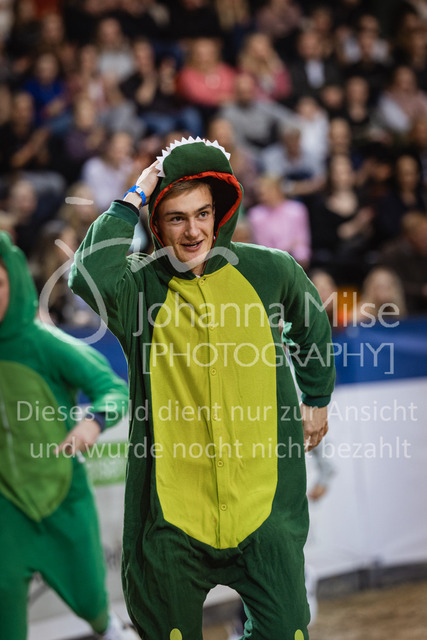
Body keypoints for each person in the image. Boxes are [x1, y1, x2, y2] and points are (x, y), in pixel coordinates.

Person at [70, 137, 335, 640]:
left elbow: (311, 325)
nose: (193, 231)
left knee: (287, 632)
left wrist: (317, 397)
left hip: (263, 507)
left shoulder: (270, 269)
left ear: (221, 212)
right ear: (156, 222)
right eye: (177, 218)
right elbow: (88, 273)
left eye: (203, 214)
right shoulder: (138, 287)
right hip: (172, 516)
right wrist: (134, 195)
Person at [0, 231, 137, 640]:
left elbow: (112, 388)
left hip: (63, 498)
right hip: (7, 509)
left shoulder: (45, 343)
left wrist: (94, 421)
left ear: (15, 282)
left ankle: (112, 629)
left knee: (93, 605)